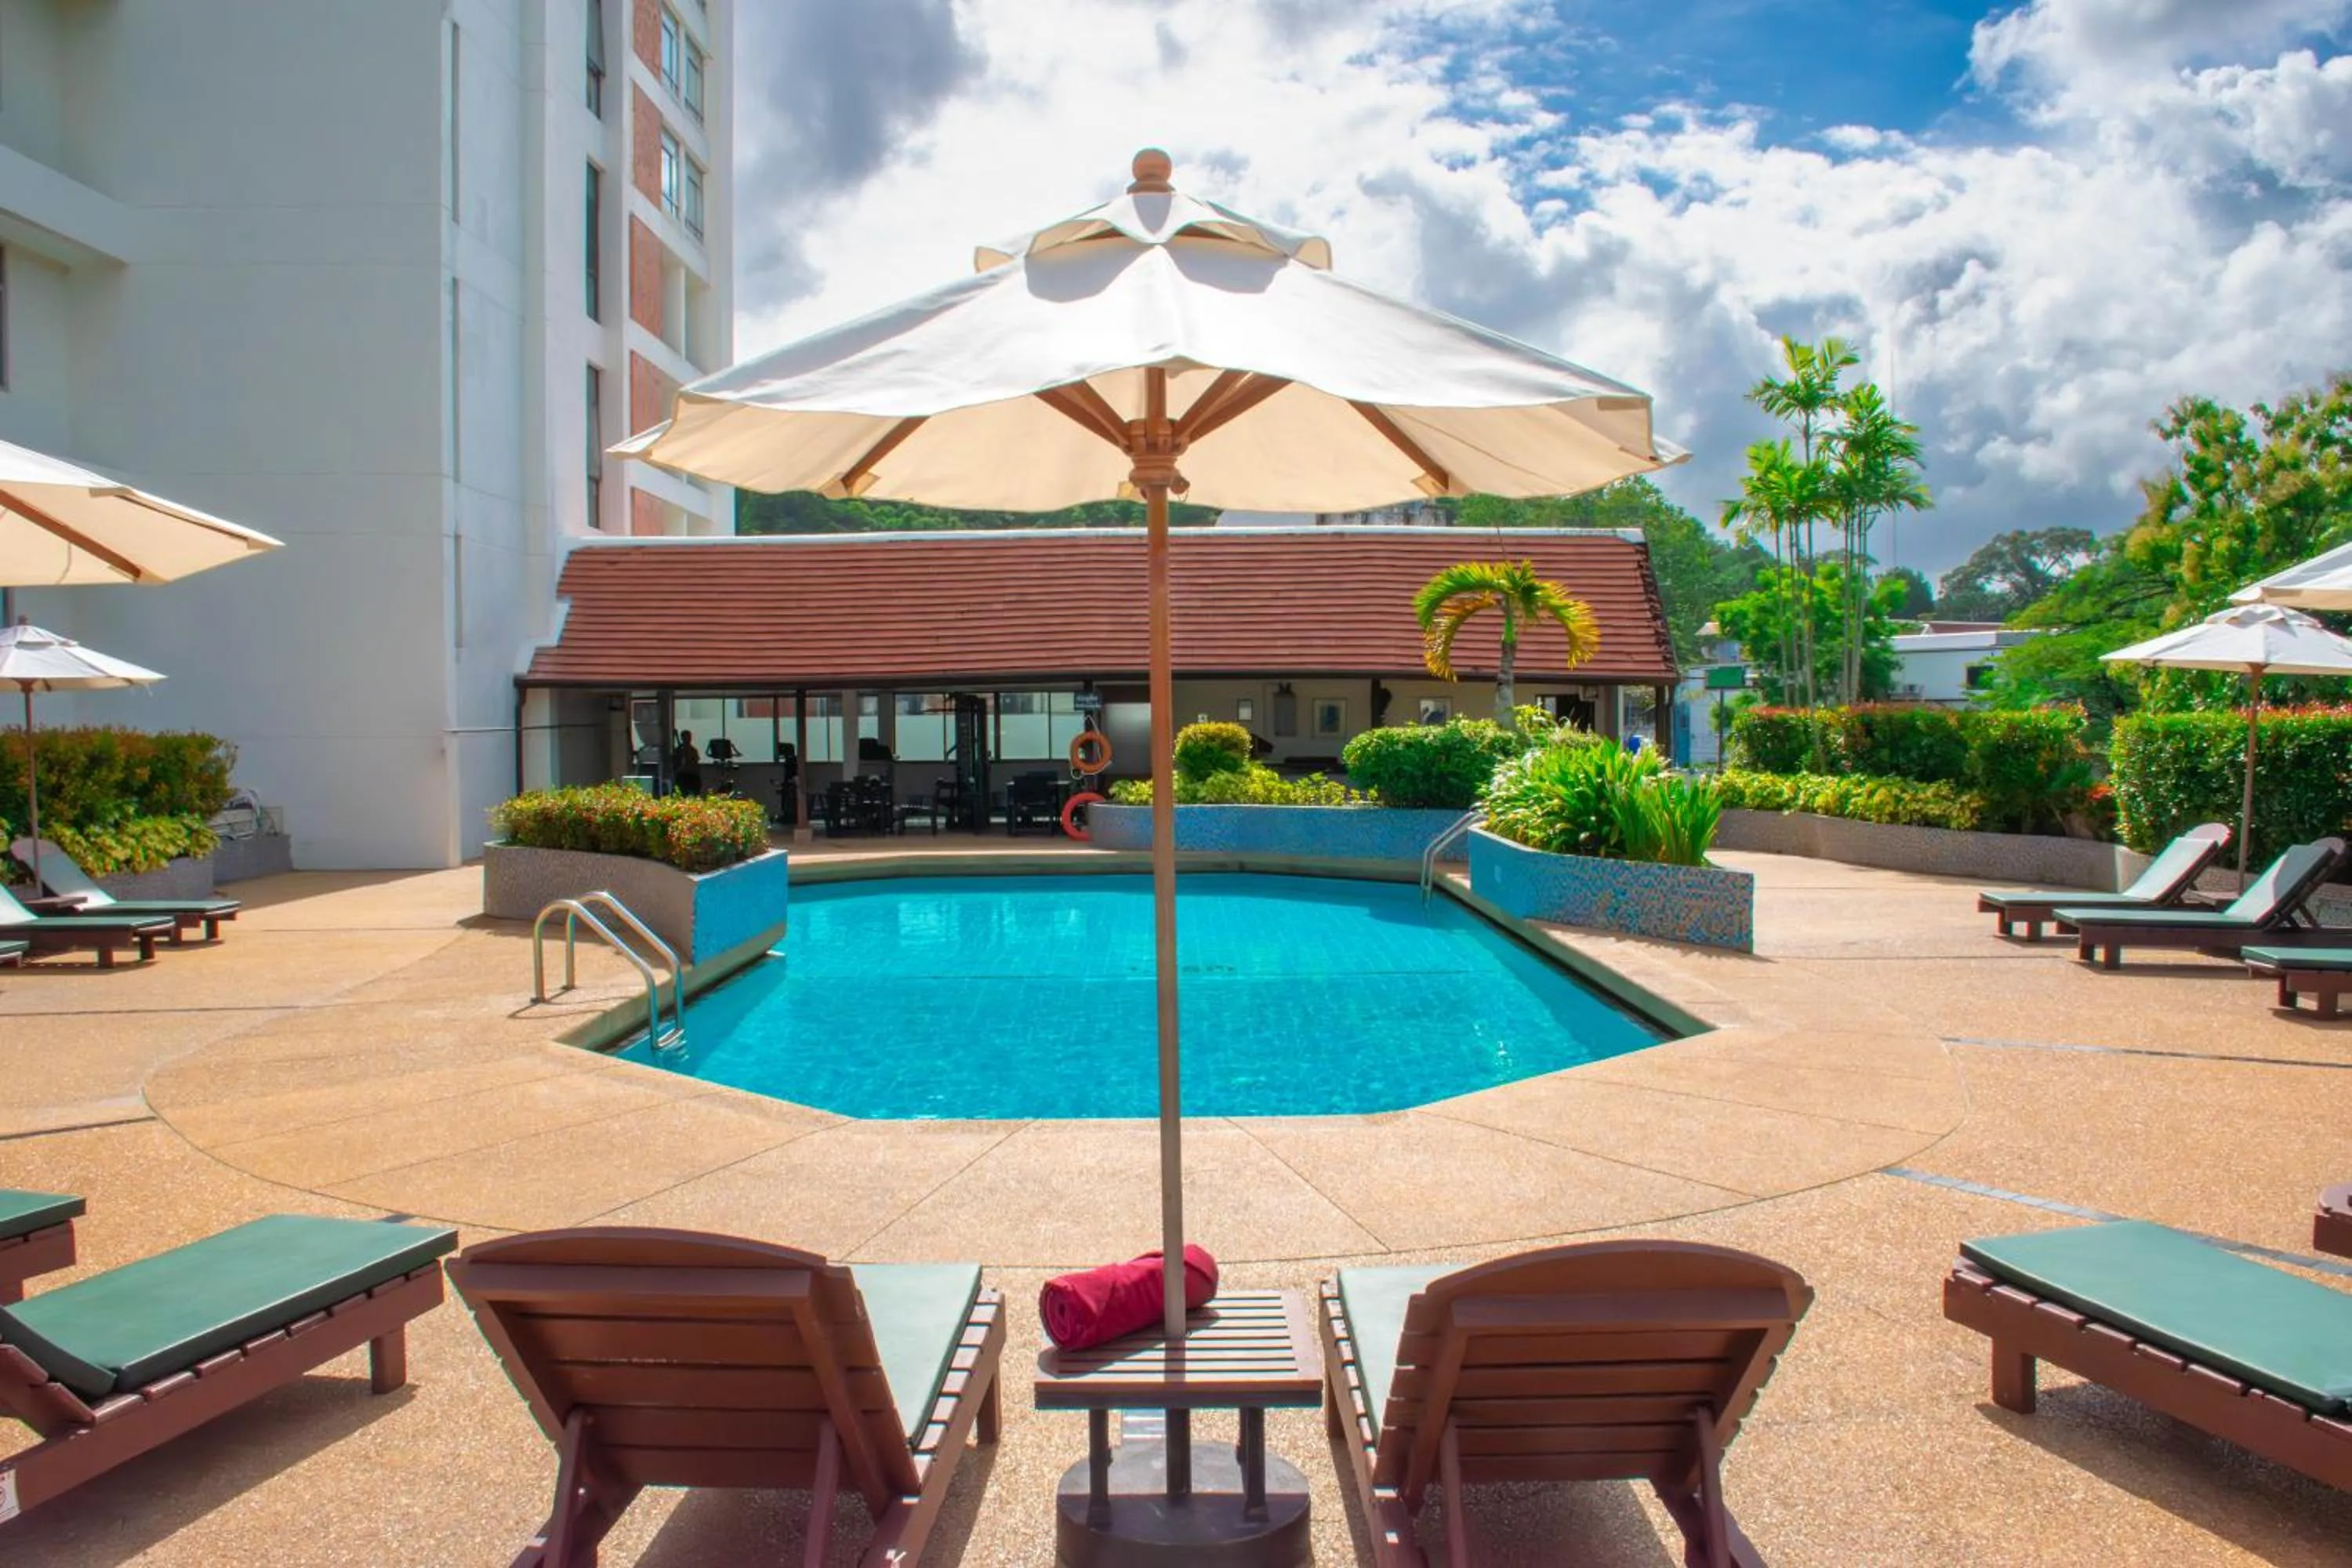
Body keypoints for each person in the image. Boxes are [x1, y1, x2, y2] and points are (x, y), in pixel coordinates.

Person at [670, 729, 703, 796]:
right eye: (686, 737)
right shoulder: (679, 750)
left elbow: (695, 764)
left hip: (692, 775)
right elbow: (675, 763)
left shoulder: (693, 750)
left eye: (689, 737)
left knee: (696, 786)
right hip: (682, 775)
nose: (688, 739)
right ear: (682, 739)